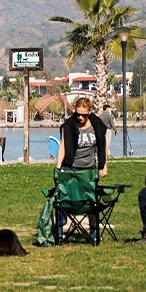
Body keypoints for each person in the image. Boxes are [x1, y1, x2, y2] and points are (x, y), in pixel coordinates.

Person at [55, 97, 108, 240]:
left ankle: (94, 231)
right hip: (71, 167)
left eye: (84, 114)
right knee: (64, 198)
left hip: (89, 169)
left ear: (90, 112)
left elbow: (103, 145)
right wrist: (58, 168)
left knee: (91, 200)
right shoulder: (69, 125)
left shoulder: (97, 124)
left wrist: (104, 166)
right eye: (77, 114)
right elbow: (63, 146)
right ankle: (59, 229)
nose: (80, 117)